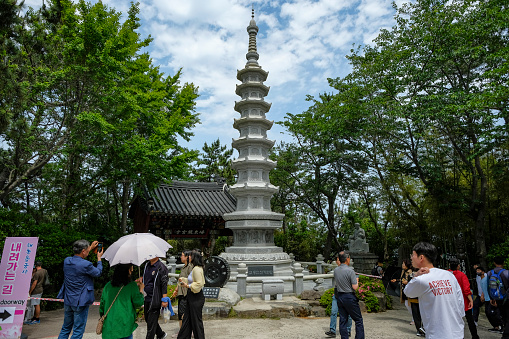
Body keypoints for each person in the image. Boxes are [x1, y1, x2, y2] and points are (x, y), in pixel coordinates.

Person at [403, 242, 464, 339]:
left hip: (437, 333)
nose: (411, 258)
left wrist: (416, 275)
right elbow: (460, 304)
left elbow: (407, 291)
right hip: (457, 332)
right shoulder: (449, 275)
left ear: (421, 257)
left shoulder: (421, 279)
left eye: (413, 255)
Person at [57, 240, 103, 339]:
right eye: (86, 250)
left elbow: (79, 257)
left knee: (66, 328)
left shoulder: (67, 261)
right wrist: (99, 258)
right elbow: (98, 272)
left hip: (68, 300)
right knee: (78, 330)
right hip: (80, 301)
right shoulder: (86, 264)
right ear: (83, 251)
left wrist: (89, 247)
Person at [100, 264, 145, 339]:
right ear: (127, 272)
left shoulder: (108, 286)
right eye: (130, 270)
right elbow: (138, 303)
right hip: (125, 326)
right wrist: (141, 290)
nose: (131, 272)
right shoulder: (132, 286)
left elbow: (102, 305)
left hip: (109, 326)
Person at [333, 251, 364, 339]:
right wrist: (357, 281)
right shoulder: (350, 271)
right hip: (349, 296)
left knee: (343, 320)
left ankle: (344, 337)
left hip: (340, 296)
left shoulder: (336, 270)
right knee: (358, 320)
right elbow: (355, 287)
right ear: (347, 259)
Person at [448, 258, 479, 339]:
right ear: (458, 266)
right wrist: (470, 300)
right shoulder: (461, 275)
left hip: (450, 301)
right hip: (463, 301)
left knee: (453, 320)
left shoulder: (446, 274)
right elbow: (466, 289)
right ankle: (475, 336)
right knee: (469, 320)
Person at [177, 250, 205, 339]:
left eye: (190, 256)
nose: (189, 257)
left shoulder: (196, 269)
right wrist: (184, 280)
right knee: (187, 321)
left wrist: (187, 285)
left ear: (194, 257)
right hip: (191, 297)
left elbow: (198, 284)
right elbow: (192, 280)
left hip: (195, 297)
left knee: (196, 322)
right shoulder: (195, 268)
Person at [142, 256, 169, 339]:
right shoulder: (147, 265)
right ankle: (161, 334)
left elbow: (164, 285)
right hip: (146, 297)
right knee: (148, 319)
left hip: (155, 299)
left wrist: (164, 300)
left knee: (151, 324)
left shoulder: (161, 268)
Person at [325, 254, 352, 338]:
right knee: (333, 311)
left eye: (338, 260)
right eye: (337, 260)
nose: (337, 261)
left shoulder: (349, 270)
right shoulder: (336, 270)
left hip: (346, 294)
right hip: (337, 294)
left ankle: (348, 330)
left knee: (348, 314)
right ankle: (332, 330)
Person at [486, 256, 509, 338]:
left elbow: (488, 286)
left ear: (494, 263)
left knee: (503, 316)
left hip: (496, 299)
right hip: (506, 299)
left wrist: (491, 298)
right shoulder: (506, 273)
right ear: (504, 263)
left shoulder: (489, 273)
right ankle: (505, 335)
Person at [171, 250, 193, 329]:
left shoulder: (190, 267)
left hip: (186, 293)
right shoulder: (183, 267)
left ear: (187, 257)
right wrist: (176, 290)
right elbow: (180, 281)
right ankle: (181, 331)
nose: (181, 257)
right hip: (181, 293)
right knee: (180, 313)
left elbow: (191, 280)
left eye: (182, 255)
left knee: (183, 313)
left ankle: (185, 331)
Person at [480, 266, 504, 333]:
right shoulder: (486, 278)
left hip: (495, 297)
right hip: (491, 297)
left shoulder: (491, 275)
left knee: (495, 313)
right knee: (489, 312)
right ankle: (496, 327)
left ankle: (502, 327)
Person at [391, 259, 413, 324]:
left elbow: (412, 281)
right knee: (407, 304)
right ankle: (414, 318)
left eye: (403, 264)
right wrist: (396, 280)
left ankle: (415, 319)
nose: (402, 265)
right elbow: (402, 279)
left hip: (409, 290)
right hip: (404, 290)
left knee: (410, 304)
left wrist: (407, 282)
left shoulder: (410, 272)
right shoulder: (403, 271)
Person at [406, 268, 425, 336]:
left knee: (416, 314)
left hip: (414, 297)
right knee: (423, 314)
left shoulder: (411, 275)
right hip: (421, 298)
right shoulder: (424, 275)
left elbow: (409, 286)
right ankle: (423, 328)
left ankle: (419, 329)